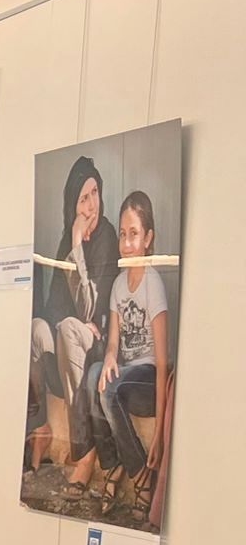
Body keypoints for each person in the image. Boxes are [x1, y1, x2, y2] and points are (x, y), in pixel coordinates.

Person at [65, 192, 170, 514]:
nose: (126, 244)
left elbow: (162, 362)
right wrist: (110, 356)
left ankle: (140, 474)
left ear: (148, 239)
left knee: (110, 388)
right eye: (123, 235)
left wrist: (159, 436)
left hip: (148, 380)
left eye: (134, 234)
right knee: (94, 374)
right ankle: (114, 464)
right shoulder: (119, 285)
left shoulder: (153, 284)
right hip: (125, 375)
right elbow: (113, 342)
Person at [27, 156, 115, 468]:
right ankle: (39, 426)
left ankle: (83, 448)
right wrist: (73, 240)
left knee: (66, 327)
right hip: (68, 345)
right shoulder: (67, 236)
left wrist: (78, 246)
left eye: (95, 194)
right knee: (37, 327)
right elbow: (53, 306)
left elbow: (90, 308)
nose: (91, 206)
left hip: (94, 349)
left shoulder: (107, 236)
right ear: (72, 206)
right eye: (83, 199)